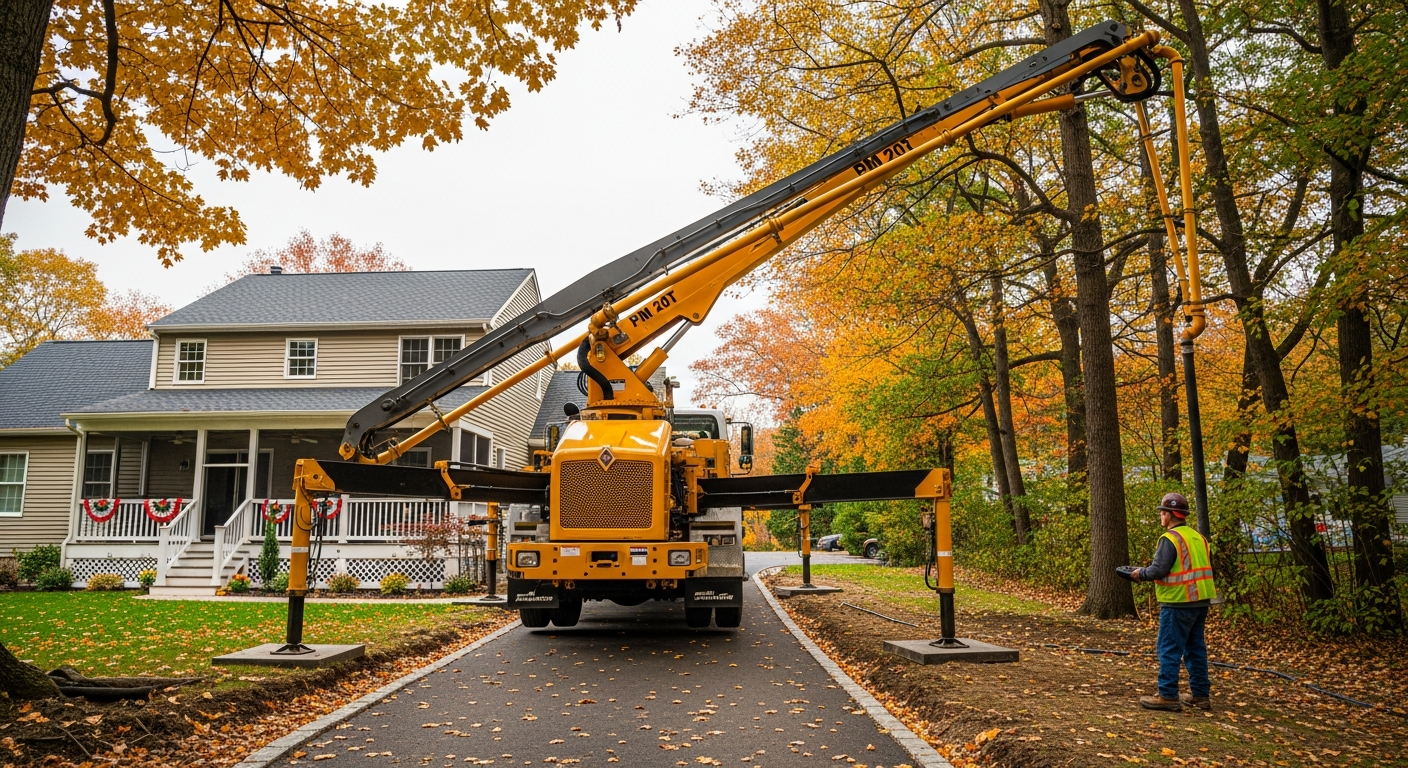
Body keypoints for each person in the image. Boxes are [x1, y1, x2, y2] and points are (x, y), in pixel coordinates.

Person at [1131, 492, 1216, 711]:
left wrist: (1140, 574)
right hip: (1200, 601)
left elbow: (1159, 569)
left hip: (1178, 601)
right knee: (1195, 648)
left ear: (1169, 515)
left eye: (1162, 513)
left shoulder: (1170, 539)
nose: (1161, 516)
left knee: (1168, 648)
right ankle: (1200, 695)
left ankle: (1167, 695)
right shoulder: (1199, 537)